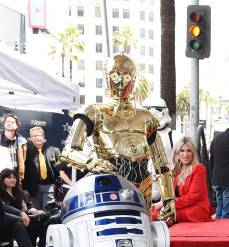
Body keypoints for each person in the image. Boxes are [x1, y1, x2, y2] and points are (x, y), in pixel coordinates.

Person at [60, 53, 176, 225]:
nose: (121, 82)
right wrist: (92, 163)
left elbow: (161, 163)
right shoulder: (94, 112)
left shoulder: (146, 117)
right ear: (107, 78)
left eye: (126, 76)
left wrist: (169, 200)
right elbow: (69, 150)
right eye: (115, 75)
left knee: (144, 238)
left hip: (143, 187)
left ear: (133, 79)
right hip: (109, 184)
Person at [152, 137, 214, 222]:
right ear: (177, 153)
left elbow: (192, 197)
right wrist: (162, 203)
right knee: (152, 211)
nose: (185, 154)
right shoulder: (177, 169)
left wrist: (166, 204)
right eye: (182, 150)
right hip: (180, 206)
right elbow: (169, 195)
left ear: (193, 153)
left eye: (189, 150)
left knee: (156, 216)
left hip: (195, 210)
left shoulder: (198, 168)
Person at [22, 126, 61, 210]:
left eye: (39, 135)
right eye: (34, 136)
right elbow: (23, 171)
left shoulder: (54, 150)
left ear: (43, 137)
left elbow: (60, 171)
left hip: (49, 186)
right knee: (36, 213)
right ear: (30, 138)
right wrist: (24, 189)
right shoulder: (26, 152)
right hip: (32, 188)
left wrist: (56, 185)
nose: (37, 138)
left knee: (49, 212)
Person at [0, 113, 27, 179]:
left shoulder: (22, 141)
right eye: (7, 121)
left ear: (17, 126)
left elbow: (23, 162)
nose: (9, 123)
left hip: (14, 178)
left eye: (12, 122)